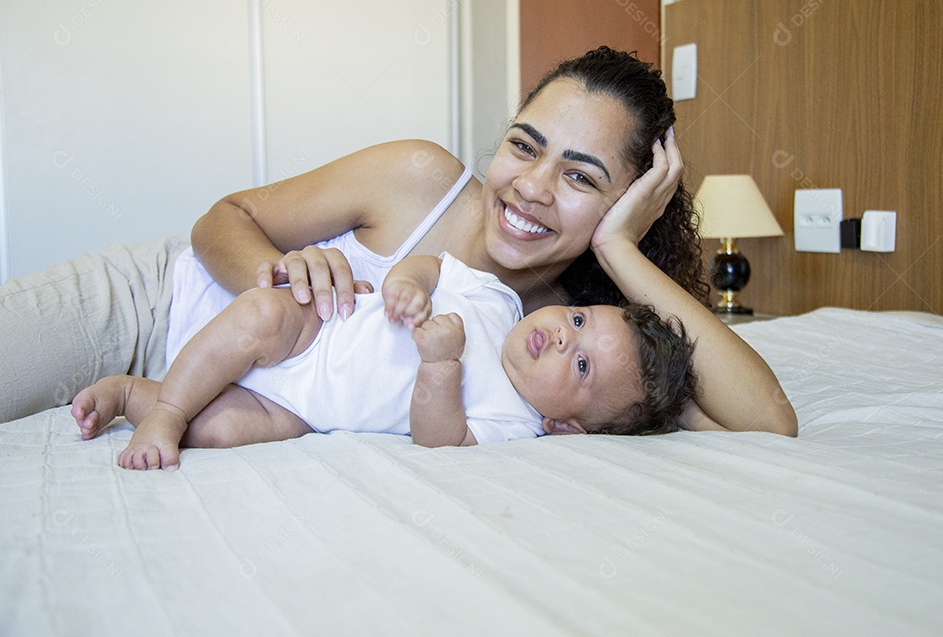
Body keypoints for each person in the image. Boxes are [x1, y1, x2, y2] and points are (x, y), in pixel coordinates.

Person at [0, 46, 797, 437]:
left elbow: (768, 424)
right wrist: (278, 280)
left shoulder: (576, 342)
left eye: (581, 178)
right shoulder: (423, 178)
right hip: (143, 310)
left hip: (216, 405)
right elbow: (222, 218)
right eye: (525, 146)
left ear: (628, 203)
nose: (530, 186)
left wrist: (625, 253)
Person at [72, 252, 697, 470]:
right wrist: (407, 282)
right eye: (580, 320)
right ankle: (167, 412)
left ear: (569, 427)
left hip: (309, 410)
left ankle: (134, 395)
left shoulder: (519, 426)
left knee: (222, 431)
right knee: (259, 315)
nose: (564, 336)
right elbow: (432, 265)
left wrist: (442, 366)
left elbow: (438, 440)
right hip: (317, 332)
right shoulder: (499, 300)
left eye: (583, 366)